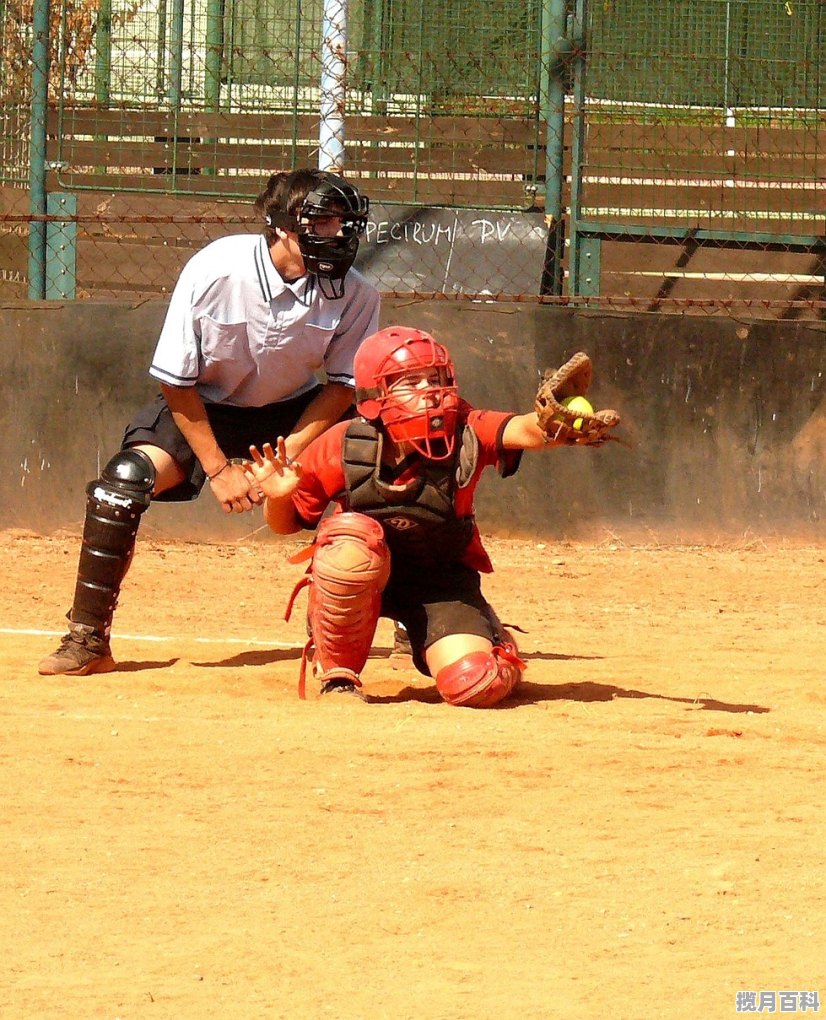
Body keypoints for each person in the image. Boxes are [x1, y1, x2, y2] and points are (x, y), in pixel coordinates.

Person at [39, 168, 380, 677]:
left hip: (294, 410)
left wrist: (286, 455)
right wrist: (220, 470)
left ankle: (351, 634)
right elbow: (176, 381)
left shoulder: (355, 293)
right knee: (123, 482)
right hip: (204, 407)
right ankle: (87, 639)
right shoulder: (216, 270)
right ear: (283, 225)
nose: (341, 236)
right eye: (325, 222)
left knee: (367, 469)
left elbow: (343, 386)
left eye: (347, 224)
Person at [243, 325, 612, 708]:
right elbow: (284, 525)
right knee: (348, 545)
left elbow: (518, 429)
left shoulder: (465, 428)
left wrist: (551, 425)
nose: (430, 392)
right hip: (364, 573)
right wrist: (278, 497)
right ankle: (338, 675)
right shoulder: (344, 442)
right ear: (375, 397)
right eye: (411, 382)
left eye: (436, 379)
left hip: (440, 579)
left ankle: (496, 648)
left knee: (474, 685)